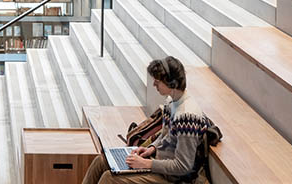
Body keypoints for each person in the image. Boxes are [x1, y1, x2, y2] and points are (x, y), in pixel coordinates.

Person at [82, 57, 212, 184]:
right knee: (101, 161)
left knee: (109, 179)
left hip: (173, 177)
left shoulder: (187, 117)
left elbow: (183, 166)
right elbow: (164, 135)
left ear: (171, 83)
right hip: (159, 163)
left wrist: (147, 164)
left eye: (157, 80)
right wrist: (151, 148)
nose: (154, 84)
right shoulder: (171, 102)